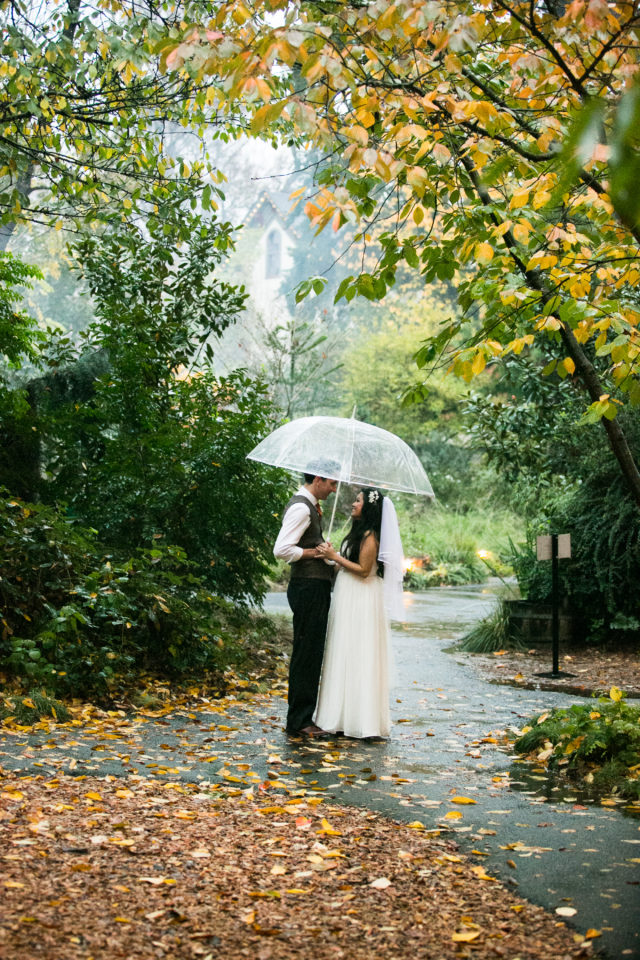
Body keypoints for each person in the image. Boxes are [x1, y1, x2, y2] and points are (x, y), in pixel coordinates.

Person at [314, 487, 404, 740]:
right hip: (349, 595)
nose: (353, 504)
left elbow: (364, 570)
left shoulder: (371, 536)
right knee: (344, 651)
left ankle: (362, 720)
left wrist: (335, 557)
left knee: (359, 653)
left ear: (369, 507)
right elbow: (349, 565)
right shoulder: (359, 533)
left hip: (362, 598)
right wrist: (332, 559)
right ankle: (341, 716)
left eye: (358, 501)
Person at [273, 465, 339, 737]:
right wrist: (316, 552)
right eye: (332, 483)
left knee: (311, 651)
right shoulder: (302, 508)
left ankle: (302, 717)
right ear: (319, 478)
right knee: (307, 653)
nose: (334, 490)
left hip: (313, 586)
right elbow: (282, 549)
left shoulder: (310, 506)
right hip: (308, 587)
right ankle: (299, 721)